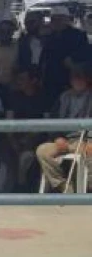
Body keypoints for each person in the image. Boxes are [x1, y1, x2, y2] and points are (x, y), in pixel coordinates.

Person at [36, 60, 92, 193]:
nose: (77, 81)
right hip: (65, 140)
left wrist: (89, 141)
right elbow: (53, 121)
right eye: (74, 77)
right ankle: (64, 187)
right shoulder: (64, 97)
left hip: (86, 140)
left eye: (80, 77)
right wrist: (57, 138)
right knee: (42, 151)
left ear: (87, 79)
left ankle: (87, 189)